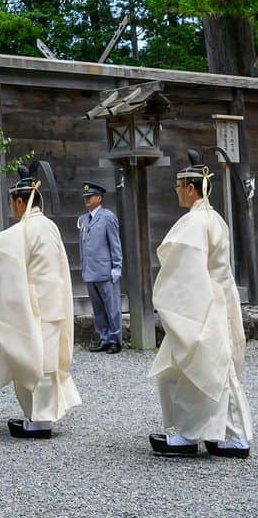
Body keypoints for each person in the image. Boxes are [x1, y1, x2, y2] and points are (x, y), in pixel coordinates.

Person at [148, 155, 252, 459]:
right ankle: (226, 437)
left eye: (179, 187)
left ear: (192, 189)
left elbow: (184, 271)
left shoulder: (194, 222)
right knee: (215, 368)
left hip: (202, 302)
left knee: (196, 367)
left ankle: (191, 436)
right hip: (216, 300)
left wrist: (173, 305)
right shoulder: (215, 218)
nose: (176, 192)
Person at [0, 164, 81, 439]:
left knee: (28, 358)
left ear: (18, 201)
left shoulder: (18, 233)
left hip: (33, 306)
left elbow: (3, 273)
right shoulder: (51, 228)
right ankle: (42, 416)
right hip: (55, 303)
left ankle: (38, 421)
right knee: (47, 362)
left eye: (13, 204)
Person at [77, 180, 123, 354]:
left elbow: (115, 244)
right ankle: (104, 338)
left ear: (99, 198)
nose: (87, 200)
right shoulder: (83, 219)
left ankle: (115, 340)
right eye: (85, 197)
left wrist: (116, 267)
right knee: (98, 309)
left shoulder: (107, 217)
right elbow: (83, 247)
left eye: (90, 197)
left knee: (112, 309)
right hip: (90, 271)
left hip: (105, 271)